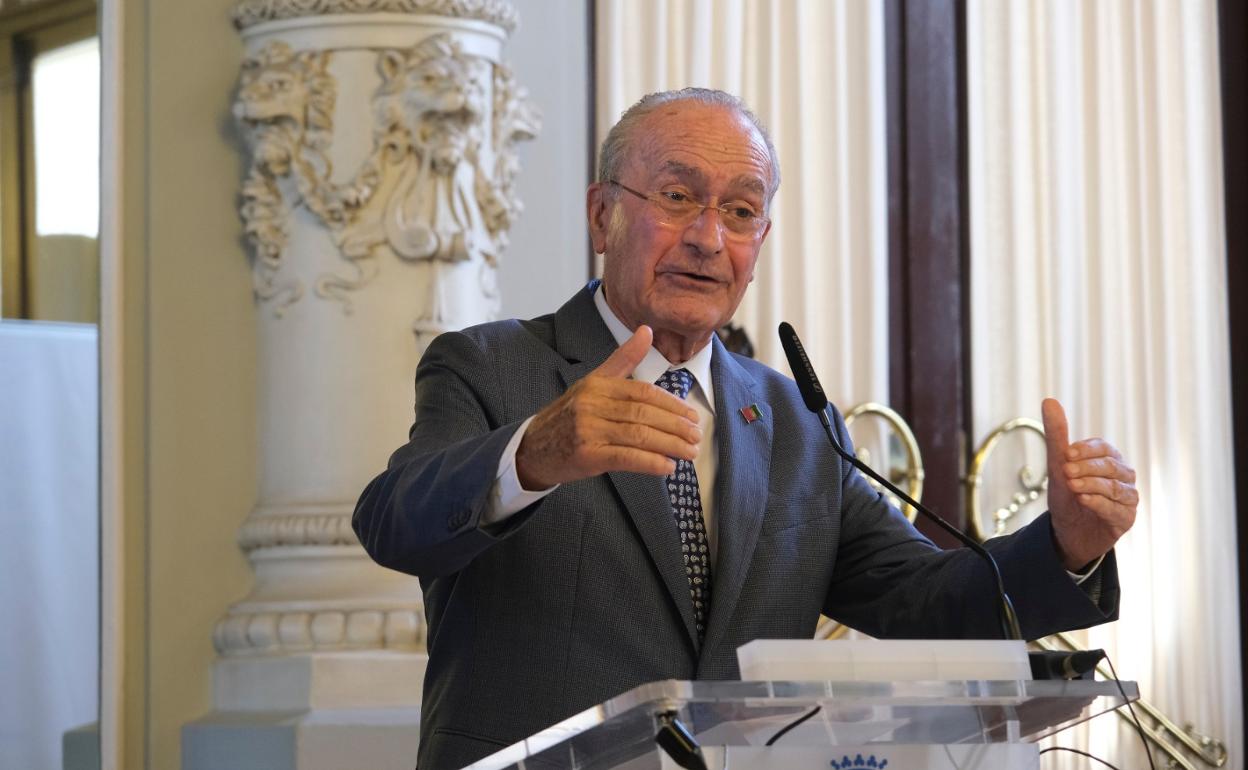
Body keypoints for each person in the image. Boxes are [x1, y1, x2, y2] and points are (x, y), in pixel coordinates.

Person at [353, 88, 1138, 769]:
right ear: (602, 215)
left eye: (739, 211)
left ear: (759, 243)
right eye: (676, 197)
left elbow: (924, 599)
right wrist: (533, 454)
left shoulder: (798, 418)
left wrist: (1067, 547)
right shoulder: (492, 366)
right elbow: (394, 523)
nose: (707, 237)